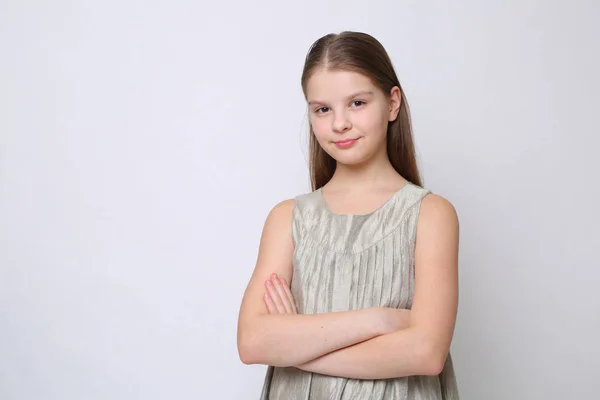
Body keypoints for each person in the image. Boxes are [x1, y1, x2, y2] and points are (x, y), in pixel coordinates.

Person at [236, 31, 460, 400]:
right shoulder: (288, 218)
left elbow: (425, 352)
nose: (339, 123)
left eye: (357, 103)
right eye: (322, 109)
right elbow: (253, 343)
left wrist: (296, 345)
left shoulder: (430, 215)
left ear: (392, 103)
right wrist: (379, 320)